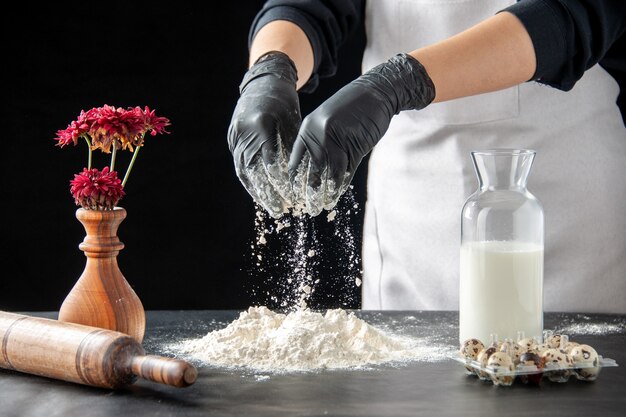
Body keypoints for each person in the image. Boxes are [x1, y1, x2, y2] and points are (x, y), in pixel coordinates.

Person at [228, 0, 626, 313]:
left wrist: (402, 82)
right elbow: (309, 4)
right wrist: (270, 68)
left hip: (561, 203)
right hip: (411, 213)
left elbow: (572, 15)